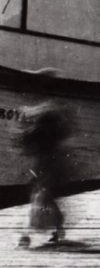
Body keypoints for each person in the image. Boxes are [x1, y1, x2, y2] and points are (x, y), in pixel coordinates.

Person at [16, 102, 71, 247]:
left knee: (40, 198)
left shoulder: (37, 133)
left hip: (45, 169)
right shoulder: (49, 134)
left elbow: (26, 145)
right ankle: (57, 228)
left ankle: (26, 235)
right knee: (46, 199)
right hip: (50, 169)